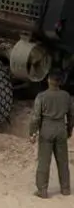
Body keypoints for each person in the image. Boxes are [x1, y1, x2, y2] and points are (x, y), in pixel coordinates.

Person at [29, 69, 74, 197]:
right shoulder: (66, 96)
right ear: (60, 82)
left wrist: (32, 133)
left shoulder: (41, 96)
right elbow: (71, 115)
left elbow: (36, 117)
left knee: (44, 161)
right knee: (63, 161)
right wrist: (69, 130)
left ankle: (42, 190)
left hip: (46, 129)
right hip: (61, 129)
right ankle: (65, 189)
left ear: (48, 80)